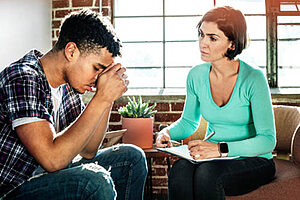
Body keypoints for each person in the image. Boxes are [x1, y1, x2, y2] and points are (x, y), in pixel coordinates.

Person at [0, 9, 147, 200]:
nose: (97, 79)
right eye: (97, 68)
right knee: (94, 181)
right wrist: (101, 97)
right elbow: (52, 160)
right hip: (13, 188)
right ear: (71, 51)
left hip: (43, 176)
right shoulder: (23, 77)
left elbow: (88, 150)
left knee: (131, 157)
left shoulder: (68, 86)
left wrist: (107, 98)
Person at [156, 6, 276, 200]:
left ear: (232, 44)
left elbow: (267, 141)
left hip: (254, 159)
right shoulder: (196, 75)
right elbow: (189, 122)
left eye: (213, 38)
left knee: (207, 175)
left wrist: (221, 149)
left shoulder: (254, 78)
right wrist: (166, 132)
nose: (203, 43)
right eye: (201, 35)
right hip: (212, 157)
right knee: (180, 171)